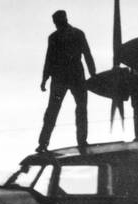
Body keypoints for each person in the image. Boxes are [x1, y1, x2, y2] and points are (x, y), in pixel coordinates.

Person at [37, 10, 96, 157]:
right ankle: (44, 143)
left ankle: (81, 140)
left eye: (57, 22)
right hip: (63, 78)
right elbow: (49, 59)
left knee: (78, 109)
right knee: (54, 110)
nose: (56, 25)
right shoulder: (56, 37)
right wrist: (45, 78)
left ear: (62, 20)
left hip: (72, 77)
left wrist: (93, 74)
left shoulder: (76, 34)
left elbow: (87, 54)